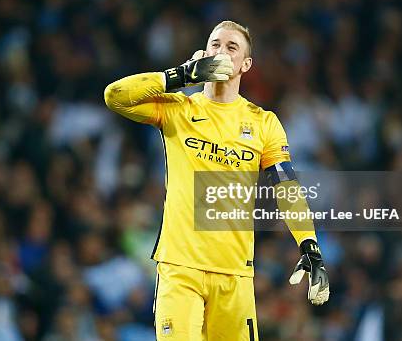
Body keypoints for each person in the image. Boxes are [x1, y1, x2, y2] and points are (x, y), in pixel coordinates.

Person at [104, 20, 329, 340]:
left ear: (245, 65)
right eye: (215, 45)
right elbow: (115, 96)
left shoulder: (263, 123)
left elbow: (287, 189)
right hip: (180, 269)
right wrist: (182, 75)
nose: (221, 51)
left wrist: (310, 246)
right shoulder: (178, 108)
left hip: (235, 275)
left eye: (231, 47)